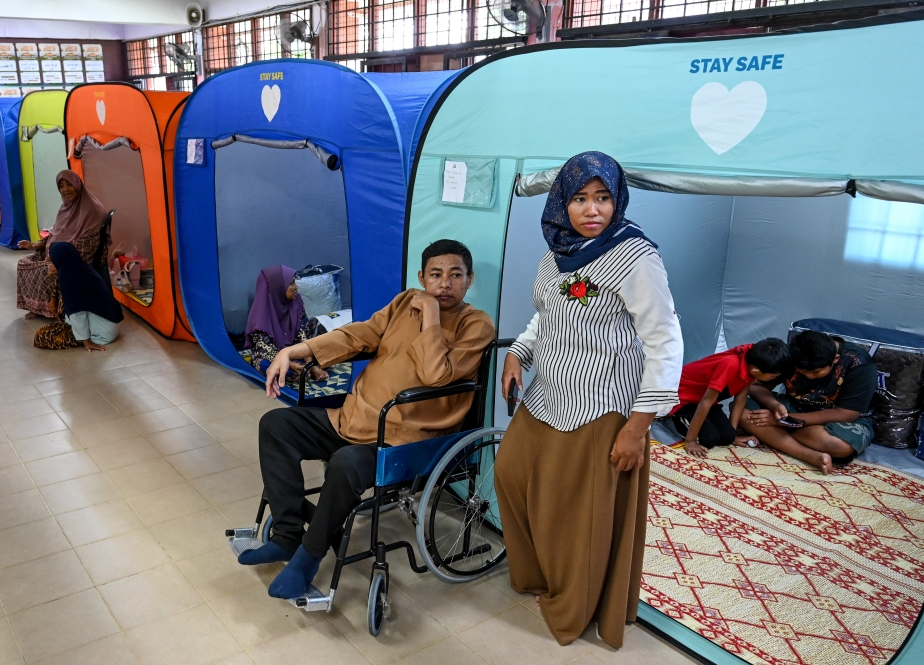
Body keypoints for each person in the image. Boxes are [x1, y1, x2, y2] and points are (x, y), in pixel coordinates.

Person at [237, 239, 495, 601]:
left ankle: (307, 560)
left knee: (346, 462)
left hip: (408, 439)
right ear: (422, 277)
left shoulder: (477, 324)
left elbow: (437, 374)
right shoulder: (405, 302)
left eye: (456, 275)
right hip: (355, 418)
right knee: (276, 426)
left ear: (470, 280)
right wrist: (297, 349)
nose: (445, 283)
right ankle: (286, 536)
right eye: (435, 275)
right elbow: (362, 334)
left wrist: (432, 315)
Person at [496, 152, 683, 648]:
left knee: (577, 514)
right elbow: (546, 314)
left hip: (600, 406)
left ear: (617, 199)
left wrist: (636, 429)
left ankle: (574, 607)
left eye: (602, 197)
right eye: (580, 197)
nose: (591, 209)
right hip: (546, 395)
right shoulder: (553, 253)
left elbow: (666, 342)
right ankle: (542, 577)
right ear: (562, 201)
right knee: (511, 476)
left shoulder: (635, 257)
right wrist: (518, 352)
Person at [742, 330, 878, 475]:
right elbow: (755, 386)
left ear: (835, 359)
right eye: (802, 371)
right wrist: (774, 406)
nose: (809, 376)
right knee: (742, 411)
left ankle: (772, 434)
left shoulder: (859, 363)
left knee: (840, 446)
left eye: (816, 372)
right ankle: (807, 455)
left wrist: (784, 422)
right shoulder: (792, 355)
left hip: (838, 419)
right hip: (794, 407)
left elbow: (847, 414)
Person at [672, 339, 792, 458]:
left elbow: (740, 399)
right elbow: (705, 402)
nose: (772, 380)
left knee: (727, 437)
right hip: (684, 401)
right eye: (772, 377)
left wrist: (732, 434)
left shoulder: (751, 362)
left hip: (708, 401)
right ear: (756, 371)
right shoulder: (730, 365)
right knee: (710, 439)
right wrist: (691, 441)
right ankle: (675, 418)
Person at [17, 171, 108, 320]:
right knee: (24, 262)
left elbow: (89, 244)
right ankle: (38, 307)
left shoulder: (91, 210)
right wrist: (36, 245)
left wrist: (62, 260)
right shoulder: (66, 207)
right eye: (61, 186)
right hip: (56, 253)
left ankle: (51, 310)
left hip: (74, 258)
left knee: (40, 269)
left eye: (69, 184)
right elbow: (57, 233)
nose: (65, 189)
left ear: (77, 185)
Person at [33, 242, 124, 351]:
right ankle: (82, 332)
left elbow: (77, 313)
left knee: (41, 336)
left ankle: (85, 337)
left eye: (51, 256)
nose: (48, 259)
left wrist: (86, 341)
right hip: (110, 325)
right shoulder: (82, 269)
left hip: (101, 334)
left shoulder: (70, 280)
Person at [244, 265, 327, 383]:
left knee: (326, 349)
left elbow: (302, 334)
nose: (296, 287)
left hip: (294, 352)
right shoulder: (260, 314)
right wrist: (292, 365)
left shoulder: (296, 302)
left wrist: (310, 364)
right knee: (266, 365)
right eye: (292, 283)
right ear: (278, 287)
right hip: (271, 356)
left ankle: (308, 369)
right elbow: (266, 350)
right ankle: (297, 371)